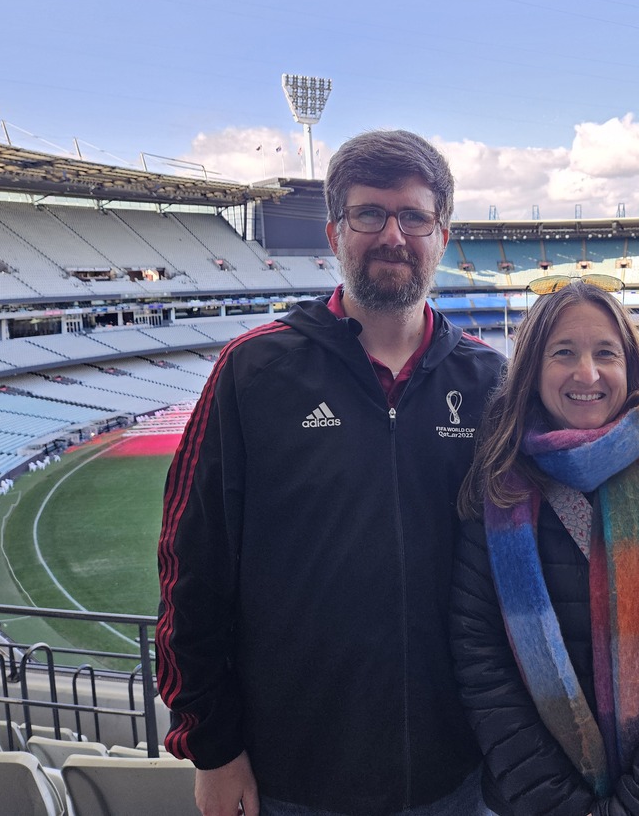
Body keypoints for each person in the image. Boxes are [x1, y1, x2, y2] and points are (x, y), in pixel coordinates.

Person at [157, 130, 506, 816]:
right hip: (293, 777)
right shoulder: (254, 372)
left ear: (441, 235)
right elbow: (190, 567)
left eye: (414, 216)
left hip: (457, 774)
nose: (392, 235)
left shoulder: (491, 382)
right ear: (335, 232)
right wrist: (214, 747)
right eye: (369, 214)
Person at [450, 275, 639, 816]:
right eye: (563, 352)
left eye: (605, 353)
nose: (586, 373)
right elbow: (482, 664)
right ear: (532, 371)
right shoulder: (497, 486)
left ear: (630, 365)